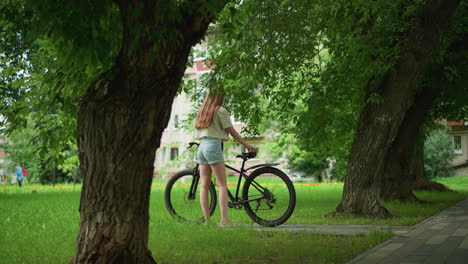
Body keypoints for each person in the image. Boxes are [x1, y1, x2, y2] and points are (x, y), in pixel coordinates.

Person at [194, 90, 256, 226]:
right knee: (222, 185)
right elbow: (231, 131)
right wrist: (247, 145)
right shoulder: (220, 110)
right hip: (213, 145)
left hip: (202, 146)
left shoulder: (202, 111)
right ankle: (224, 220)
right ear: (219, 96)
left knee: (204, 186)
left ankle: (207, 220)